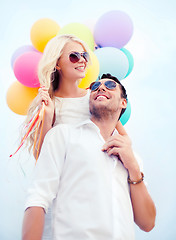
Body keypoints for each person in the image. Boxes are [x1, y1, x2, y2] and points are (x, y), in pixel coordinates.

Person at [22, 74, 156, 240]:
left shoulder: (133, 158)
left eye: (109, 85)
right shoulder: (63, 135)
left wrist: (134, 168)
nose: (100, 88)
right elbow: (38, 198)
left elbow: (148, 223)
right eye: (94, 87)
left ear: (123, 103)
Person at [23, 34, 127, 158]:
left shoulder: (94, 96)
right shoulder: (49, 104)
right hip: (72, 174)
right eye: (74, 56)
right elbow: (41, 157)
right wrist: (48, 115)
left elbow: (124, 138)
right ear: (57, 63)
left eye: (84, 55)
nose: (82, 60)